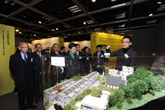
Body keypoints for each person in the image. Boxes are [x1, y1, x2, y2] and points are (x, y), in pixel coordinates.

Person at [9, 42, 37, 110]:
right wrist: (19, 75)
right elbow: (12, 68)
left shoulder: (30, 55)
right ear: (19, 48)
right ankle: (22, 108)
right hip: (21, 79)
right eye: (24, 47)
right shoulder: (14, 57)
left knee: (30, 93)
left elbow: (33, 65)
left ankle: (29, 104)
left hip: (30, 78)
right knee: (21, 95)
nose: (26, 49)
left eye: (27, 47)